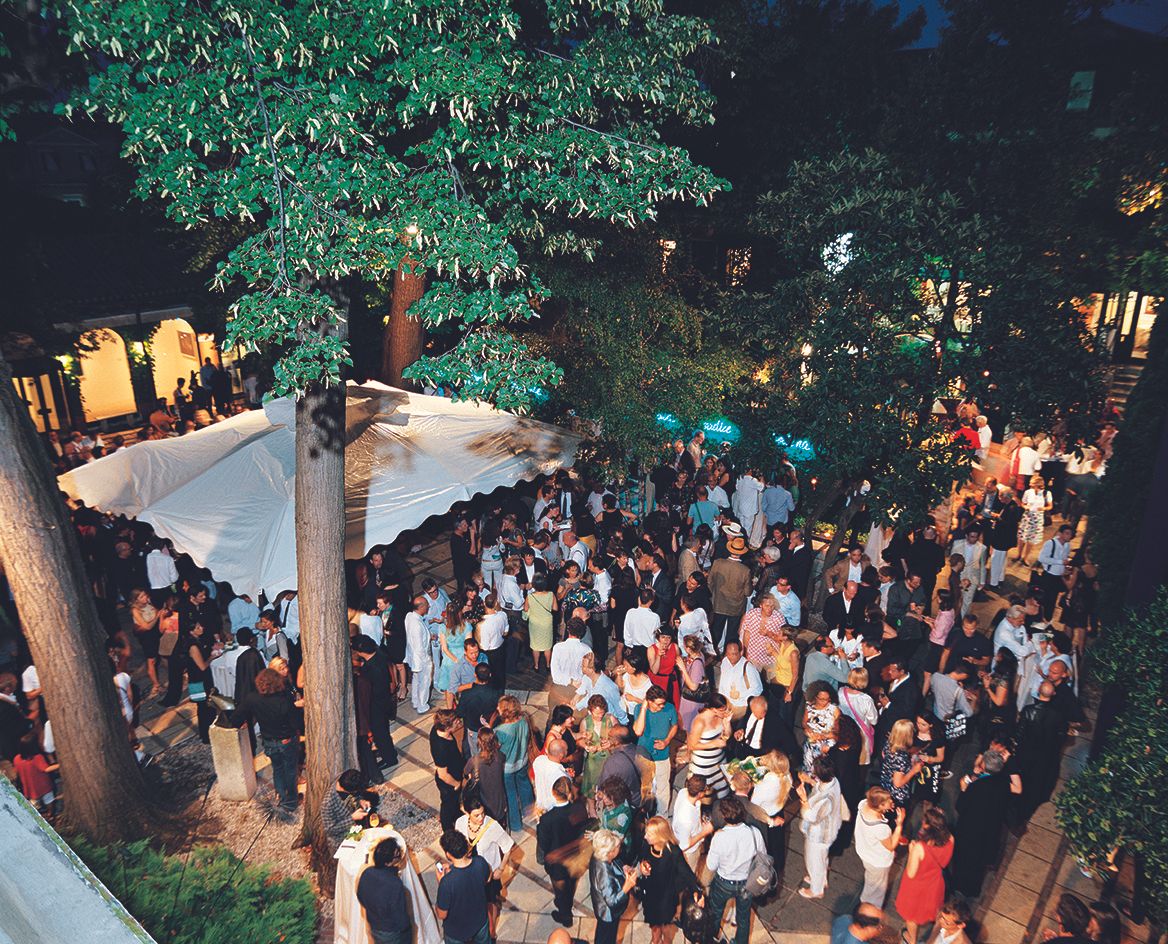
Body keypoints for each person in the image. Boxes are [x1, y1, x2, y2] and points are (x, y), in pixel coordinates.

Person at [232, 667, 302, 810]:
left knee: (277, 769)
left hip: (269, 741)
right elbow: (296, 722)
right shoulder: (285, 698)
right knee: (290, 770)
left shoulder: (252, 698)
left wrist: (244, 722)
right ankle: (291, 802)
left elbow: (235, 718)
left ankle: (281, 796)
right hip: (286, 740)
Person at [949, 750, 1011, 898]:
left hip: (970, 830)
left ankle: (959, 885)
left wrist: (964, 790)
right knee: (977, 865)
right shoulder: (1003, 782)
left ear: (984, 765)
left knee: (964, 859)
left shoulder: (977, 787)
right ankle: (972, 889)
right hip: (990, 830)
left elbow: (961, 807)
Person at [456, 788, 515, 940]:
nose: (481, 817)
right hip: (469, 873)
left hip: (488, 874)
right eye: (476, 815)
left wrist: (501, 869)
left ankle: (491, 929)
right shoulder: (460, 824)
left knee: (491, 902)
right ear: (467, 813)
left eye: (482, 813)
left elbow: (508, 847)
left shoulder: (492, 826)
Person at [706, 795, 765, 944]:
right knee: (743, 919)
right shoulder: (754, 833)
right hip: (746, 883)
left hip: (723, 883)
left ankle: (710, 940)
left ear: (725, 817)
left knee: (715, 913)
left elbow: (711, 865)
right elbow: (762, 856)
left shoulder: (719, 838)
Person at [637, 817, 700, 944]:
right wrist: (642, 866)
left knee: (665, 923)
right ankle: (655, 938)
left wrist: (697, 891)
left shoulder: (673, 851)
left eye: (649, 834)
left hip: (666, 897)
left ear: (660, 835)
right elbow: (642, 857)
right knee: (653, 921)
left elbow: (687, 873)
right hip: (650, 893)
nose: (645, 836)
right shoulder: (646, 845)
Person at [896, 805, 954, 943]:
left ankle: (912, 940)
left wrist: (911, 852)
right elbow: (945, 863)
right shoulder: (951, 838)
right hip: (935, 883)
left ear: (928, 826)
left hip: (916, 888)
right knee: (932, 910)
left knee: (911, 917)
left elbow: (911, 873)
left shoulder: (920, 847)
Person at [536, 776, 588, 928]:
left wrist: (540, 823)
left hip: (556, 861)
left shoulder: (547, 819)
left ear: (553, 793)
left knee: (560, 889)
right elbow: (581, 832)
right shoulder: (578, 809)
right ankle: (567, 901)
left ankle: (565, 916)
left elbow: (544, 843)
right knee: (571, 882)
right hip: (574, 857)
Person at [797, 755, 843, 900]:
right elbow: (819, 786)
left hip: (819, 834)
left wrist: (804, 799)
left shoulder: (826, 799)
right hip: (828, 830)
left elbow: (811, 816)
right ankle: (821, 879)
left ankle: (816, 890)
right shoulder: (833, 781)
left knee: (814, 860)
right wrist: (810, 780)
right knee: (822, 858)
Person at [435, 829, 492, 944]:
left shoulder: (447, 883)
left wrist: (441, 882)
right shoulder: (480, 862)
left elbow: (441, 914)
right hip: (480, 922)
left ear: (448, 854)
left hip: (457, 932)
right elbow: (488, 878)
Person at [854, 787, 903, 908]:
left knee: (871, 880)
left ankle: (865, 899)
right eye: (888, 802)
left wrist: (884, 809)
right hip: (877, 861)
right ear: (880, 805)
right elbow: (890, 846)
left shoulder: (863, 804)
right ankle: (870, 910)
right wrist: (899, 825)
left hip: (865, 852)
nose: (892, 803)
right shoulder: (881, 828)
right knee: (878, 890)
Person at [358, 837, 413, 944]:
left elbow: (361, 898)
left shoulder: (366, 873)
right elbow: (401, 919)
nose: (400, 857)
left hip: (374, 926)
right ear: (388, 862)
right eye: (397, 855)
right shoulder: (395, 884)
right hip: (393, 933)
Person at [634, 684, 679, 815]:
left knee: (663, 787)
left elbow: (674, 726)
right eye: (658, 704)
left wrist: (667, 741)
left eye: (663, 703)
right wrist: (643, 708)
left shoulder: (670, 708)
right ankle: (645, 813)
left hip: (662, 754)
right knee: (645, 786)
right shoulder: (639, 709)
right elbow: (638, 731)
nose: (662, 706)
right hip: (644, 755)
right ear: (649, 701)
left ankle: (662, 814)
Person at [493, 695, 535, 832]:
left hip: (507, 767)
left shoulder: (500, 731)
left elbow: (495, 747)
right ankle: (530, 813)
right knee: (525, 786)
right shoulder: (524, 721)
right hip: (522, 760)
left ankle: (516, 824)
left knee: (510, 794)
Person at [590, 829, 638, 944]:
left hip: (600, 903)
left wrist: (623, 868)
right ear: (609, 852)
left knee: (602, 933)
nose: (619, 848)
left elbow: (613, 863)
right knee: (607, 938)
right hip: (608, 914)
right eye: (617, 847)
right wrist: (627, 886)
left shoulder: (598, 854)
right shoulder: (604, 874)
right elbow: (612, 901)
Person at [750, 749, 792, 875]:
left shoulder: (766, 784)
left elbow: (754, 804)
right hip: (778, 811)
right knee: (778, 844)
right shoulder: (787, 776)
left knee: (766, 847)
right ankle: (778, 866)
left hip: (766, 817)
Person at [708, 535, 753, 648]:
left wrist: (714, 594)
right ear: (742, 553)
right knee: (731, 634)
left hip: (719, 603)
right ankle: (727, 656)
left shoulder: (718, 563)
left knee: (716, 630)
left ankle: (712, 653)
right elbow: (748, 592)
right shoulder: (745, 570)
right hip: (736, 607)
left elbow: (710, 582)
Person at [321, 770, 378, 854]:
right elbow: (330, 830)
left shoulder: (345, 778)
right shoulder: (328, 803)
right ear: (349, 791)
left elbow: (356, 796)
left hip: (357, 827)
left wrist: (361, 801)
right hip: (342, 838)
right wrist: (352, 818)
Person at [687, 693, 732, 797]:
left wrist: (727, 724)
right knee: (705, 797)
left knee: (723, 793)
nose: (725, 712)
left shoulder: (720, 716)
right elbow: (692, 745)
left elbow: (727, 736)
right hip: (704, 766)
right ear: (713, 709)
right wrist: (713, 743)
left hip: (719, 762)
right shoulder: (700, 721)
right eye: (722, 709)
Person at [430, 708, 467, 831]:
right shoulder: (441, 747)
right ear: (447, 728)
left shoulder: (437, 730)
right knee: (448, 805)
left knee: (454, 803)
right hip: (449, 782)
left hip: (455, 772)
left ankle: (456, 817)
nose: (458, 723)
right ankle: (447, 828)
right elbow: (442, 774)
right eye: (456, 722)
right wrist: (456, 784)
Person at [880, 718, 922, 809]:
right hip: (897, 795)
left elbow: (883, 754)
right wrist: (914, 770)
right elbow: (898, 783)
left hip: (885, 783)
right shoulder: (901, 757)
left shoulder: (889, 742)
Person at [838, 669, 878, 766]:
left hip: (844, 731)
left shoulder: (840, 692)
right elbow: (874, 721)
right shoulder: (866, 699)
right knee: (861, 762)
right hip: (861, 734)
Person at [718, 641, 763, 719]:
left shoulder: (748, 667)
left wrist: (740, 695)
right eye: (728, 654)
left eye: (734, 654)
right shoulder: (725, 662)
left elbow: (758, 689)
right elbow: (722, 684)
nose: (731, 657)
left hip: (741, 706)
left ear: (741, 652)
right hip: (726, 705)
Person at [802, 681, 840, 772]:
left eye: (827, 699)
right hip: (811, 746)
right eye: (821, 699)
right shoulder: (809, 708)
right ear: (815, 697)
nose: (824, 701)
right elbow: (804, 723)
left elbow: (838, 732)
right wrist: (808, 730)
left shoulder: (834, 710)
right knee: (810, 771)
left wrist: (822, 736)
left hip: (827, 748)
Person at [1017, 476, 1053, 566]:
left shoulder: (1046, 493)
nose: (1030, 485)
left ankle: (1025, 557)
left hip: (1038, 518)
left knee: (1031, 539)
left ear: (1038, 484)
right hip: (1027, 516)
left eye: (1032, 484)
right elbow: (1023, 503)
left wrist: (1043, 508)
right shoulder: (1028, 492)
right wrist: (1025, 507)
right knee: (1022, 537)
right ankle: (1019, 554)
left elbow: (1050, 506)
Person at [525, 573, 557, 672]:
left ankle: (536, 666)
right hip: (547, 623)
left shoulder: (530, 597)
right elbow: (555, 608)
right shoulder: (551, 594)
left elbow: (525, 609)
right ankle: (548, 665)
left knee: (535, 646)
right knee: (547, 646)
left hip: (534, 624)